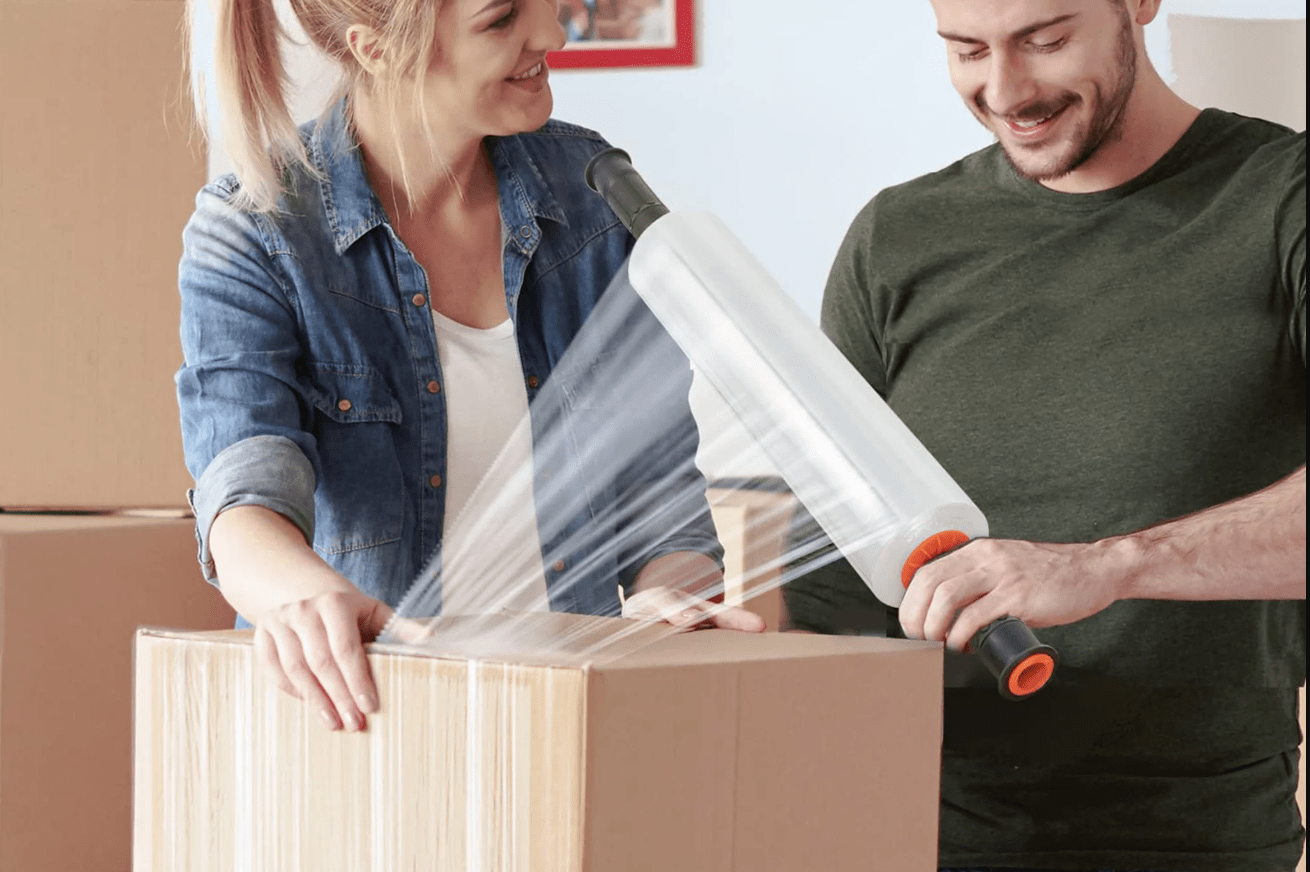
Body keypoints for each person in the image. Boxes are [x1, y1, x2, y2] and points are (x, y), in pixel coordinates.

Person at [783, 0, 1305, 869]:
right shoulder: (896, 238)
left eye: (1047, 41)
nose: (1005, 90)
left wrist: (1105, 566)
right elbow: (827, 580)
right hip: (914, 829)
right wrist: (716, 628)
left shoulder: (1281, 197)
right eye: (966, 51)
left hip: (1189, 840)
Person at [177, 0, 762, 736]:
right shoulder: (254, 232)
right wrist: (300, 596)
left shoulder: (594, 196)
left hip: (566, 723)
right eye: (502, 18)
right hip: (357, 725)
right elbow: (243, 497)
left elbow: (660, 495)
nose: (552, 35)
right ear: (376, 48)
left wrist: (669, 599)